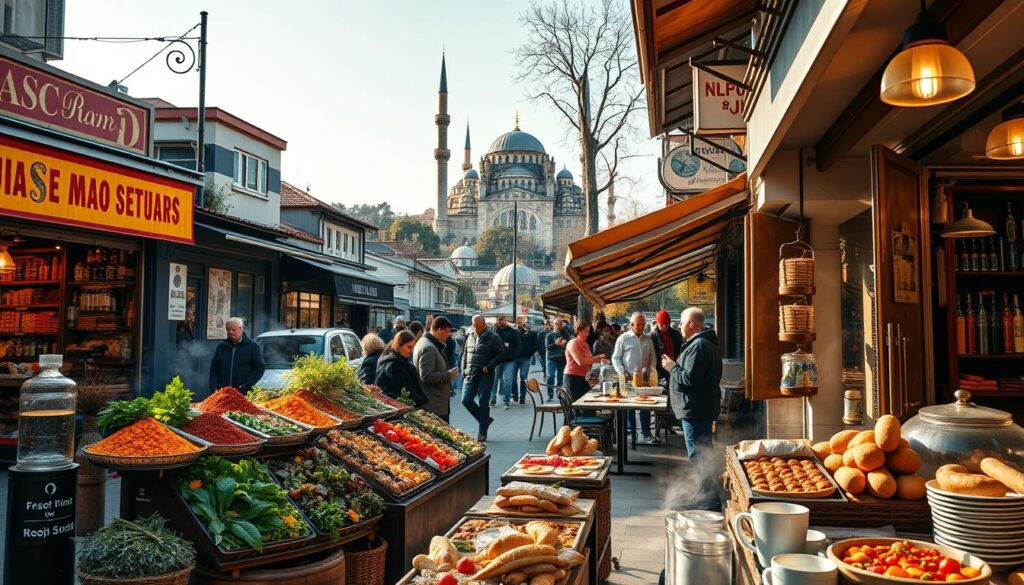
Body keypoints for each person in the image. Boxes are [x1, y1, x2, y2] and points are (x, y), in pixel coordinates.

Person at [661, 307, 722, 510]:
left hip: (695, 409)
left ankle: (707, 500)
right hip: (698, 408)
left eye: (681, 322)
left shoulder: (699, 346)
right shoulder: (703, 344)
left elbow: (689, 379)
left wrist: (672, 367)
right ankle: (706, 496)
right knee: (701, 453)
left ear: (691, 323)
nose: (678, 326)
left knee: (699, 455)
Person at [612, 312, 659, 444]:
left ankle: (646, 433)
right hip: (627, 377)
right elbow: (615, 357)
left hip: (644, 378)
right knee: (629, 407)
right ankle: (631, 433)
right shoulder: (623, 338)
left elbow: (652, 358)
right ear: (631, 325)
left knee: (645, 406)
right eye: (638, 324)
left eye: (643, 324)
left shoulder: (648, 339)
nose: (641, 327)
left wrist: (652, 372)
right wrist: (622, 371)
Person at [461, 314, 505, 441]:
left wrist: (489, 367)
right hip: (470, 372)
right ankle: (485, 420)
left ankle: (482, 432)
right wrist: (464, 370)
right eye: (473, 325)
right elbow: (465, 354)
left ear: (484, 324)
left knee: (483, 402)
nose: (475, 327)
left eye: (478, 325)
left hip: (485, 374)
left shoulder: (493, 337)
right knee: (466, 400)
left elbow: (501, 355)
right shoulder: (470, 336)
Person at [413, 317, 458, 421]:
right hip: (433, 404)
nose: (448, 335)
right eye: (447, 332)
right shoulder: (428, 347)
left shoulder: (429, 343)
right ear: (438, 329)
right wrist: (448, 375)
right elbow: (426, 376)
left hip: (435, 403)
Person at [209, 317, 266, 394]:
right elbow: (214, 369)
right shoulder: (222, 346)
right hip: (222, 393)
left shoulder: (252, 347)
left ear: (241, 328)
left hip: (243, 394)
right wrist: (214, 387)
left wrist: (246, 386)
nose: (230, 332)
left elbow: (260, 368)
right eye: (228, 330)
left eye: (233, 330)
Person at [375, 330, 428, 407]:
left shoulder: (400, 359)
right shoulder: (393, 364)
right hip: (395, 408)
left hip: (400, 406)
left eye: (413, 347)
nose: (411, 351)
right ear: (398, 345)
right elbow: (405, 391)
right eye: (409, 347)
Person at [564, 321, 606, 401]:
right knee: (578, 405)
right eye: (586, 331)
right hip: (572, 378)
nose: (588, 334)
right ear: (579, 331)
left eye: (588, 331)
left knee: (589, 402)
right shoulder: (573, 343)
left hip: (582, 377)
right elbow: (580, 361)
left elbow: (590, 360)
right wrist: (597, 358)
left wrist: (601, 360)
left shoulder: (585, 344)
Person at [489, 315, 522, 409]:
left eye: (501, 320)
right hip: (497, 360)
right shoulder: (495, 331)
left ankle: (506, 401)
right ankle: (493, 399)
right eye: (498, 320)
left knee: (508, 380)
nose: (499, 321)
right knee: (494, 380)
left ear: (505, 320)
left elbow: (519, 345)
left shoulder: (513, 331)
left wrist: (513, 356)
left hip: (509, 360)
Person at [651, 309, 684, 383]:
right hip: (659, 368)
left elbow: (680, 350)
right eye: (662, 324)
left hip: (674, 366)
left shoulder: (676, 334)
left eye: (667, 324)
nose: (665, 326)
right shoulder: (652, 336)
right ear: (657, 323)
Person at [513, 320, 538, 404]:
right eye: (519, 322)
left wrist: (531, 352)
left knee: (523, 377)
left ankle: (522, 397)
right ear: (516, 323)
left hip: (526, 357)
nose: (521, 324)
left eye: (522, 322)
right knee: (513, 377)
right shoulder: (514, 332)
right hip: (515, 358)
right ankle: (515, 395)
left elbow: (535, 342)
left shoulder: (530, 333)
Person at [544, 319, 571, 400]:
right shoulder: (549, 335)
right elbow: (547, 347)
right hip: (551, 358)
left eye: (559, 324)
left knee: (560, 378)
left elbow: (569, 344)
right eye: (556, 324)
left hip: (561, 358)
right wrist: (555, 344)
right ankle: (550, 394)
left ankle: (559, 393)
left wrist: (563, 345)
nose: (557, 326)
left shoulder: (565, 334)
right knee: (550, 376)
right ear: (553, 325)